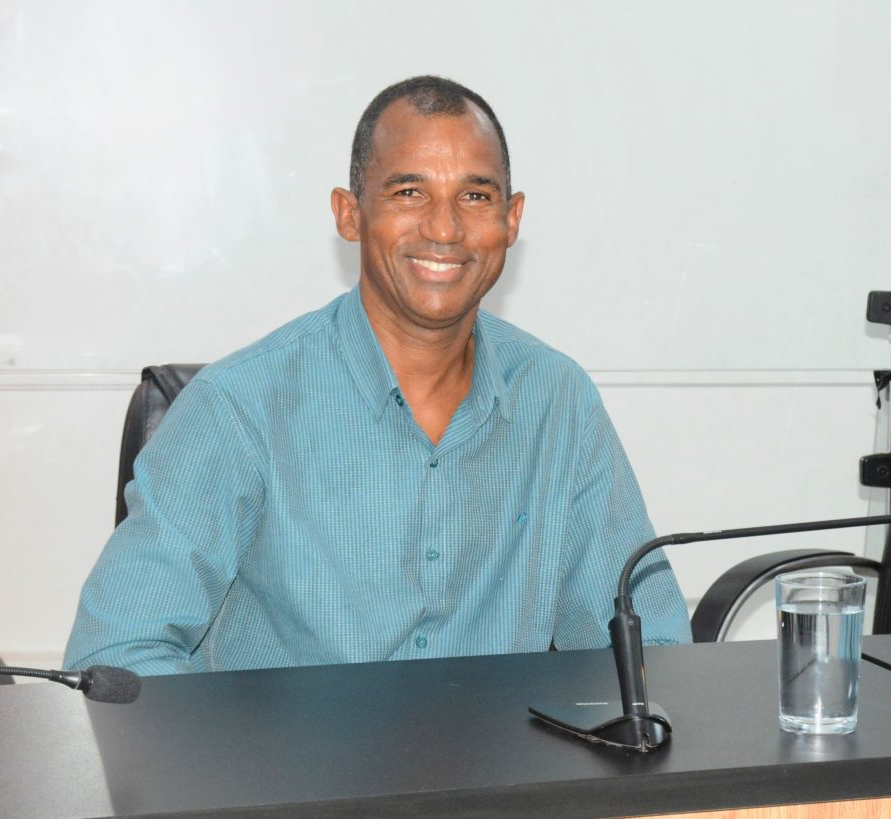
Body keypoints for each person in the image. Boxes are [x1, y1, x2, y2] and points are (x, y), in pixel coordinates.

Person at [65, 76, 691, 675]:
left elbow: (648, 649)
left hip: (499, 752)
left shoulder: (556, 398)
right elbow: (118, 654)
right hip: (294, 754)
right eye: (409, 193)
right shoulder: (238, 408)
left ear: (512, 218)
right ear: (349, 214)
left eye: (475, 196)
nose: (444, 228)